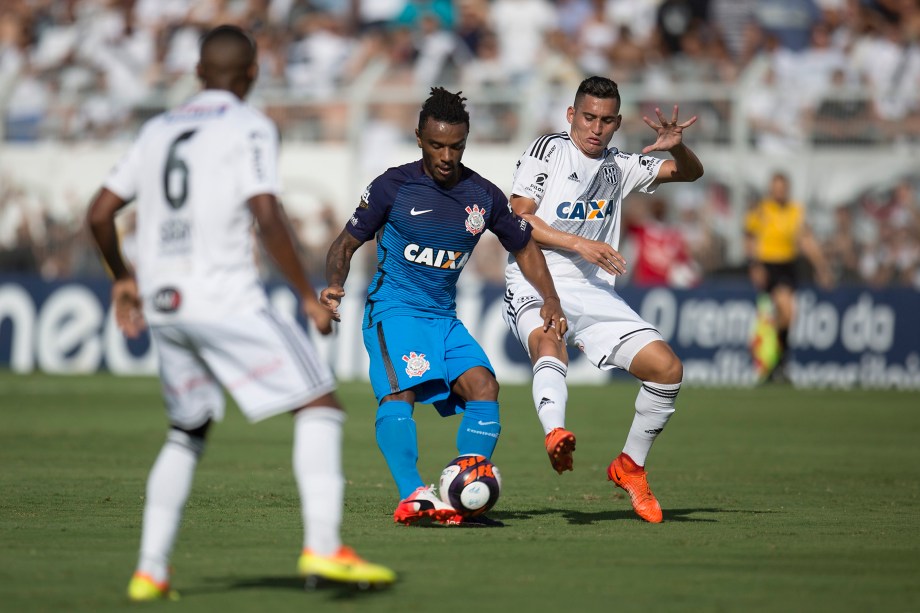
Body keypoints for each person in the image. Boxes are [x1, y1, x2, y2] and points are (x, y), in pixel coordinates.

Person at [85, 25, 395, 601]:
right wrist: (306, 292)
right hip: (222, 296)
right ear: (252, 75)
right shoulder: (248, 124)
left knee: (188, 429)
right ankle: (325, 549)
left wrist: (123, 279)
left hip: (165, 304)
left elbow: (101, 212)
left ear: (197, 73)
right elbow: (267, 212)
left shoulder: (156, 130)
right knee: (320, 403)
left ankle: (150, 571)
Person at [321, 87, 566, 527]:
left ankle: (464, 491)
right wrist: (335, 285)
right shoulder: (392, 186)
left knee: (484, 387)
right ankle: (413, 494)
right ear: (419, 138)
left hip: (443, 318)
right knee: (400, 394)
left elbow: (525, 246)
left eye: (456, 146)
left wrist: (550, 297)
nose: (446, 155)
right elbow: (345, 242)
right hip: (393, 311)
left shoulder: (484, 196)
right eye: (437, 145)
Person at [502, 75, 704, 523]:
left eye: (606, 120)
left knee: (667, 369)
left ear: (617, 123)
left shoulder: (621, 165)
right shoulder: (548, 151)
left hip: (592, 291)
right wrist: (579, 244)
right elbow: (518, 219)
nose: (595, 128)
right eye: (587, 117)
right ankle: (555, 432)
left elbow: (690, 172)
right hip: (536, 280)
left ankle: (630, 467)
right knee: (549, 342)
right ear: (571, 115)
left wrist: (676, 147)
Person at [744, 171, 833, 381]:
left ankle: (774, 359)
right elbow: (749, 238)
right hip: (768, 265)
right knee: (785, 311)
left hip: (788, 265)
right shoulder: (762, 210)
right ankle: (776, 361)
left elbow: (807, 241)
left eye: (782, 188)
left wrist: (822, 268)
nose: (779, 192)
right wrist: (754, 265)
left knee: (787, 316)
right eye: (776, 188)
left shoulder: (795, 211)